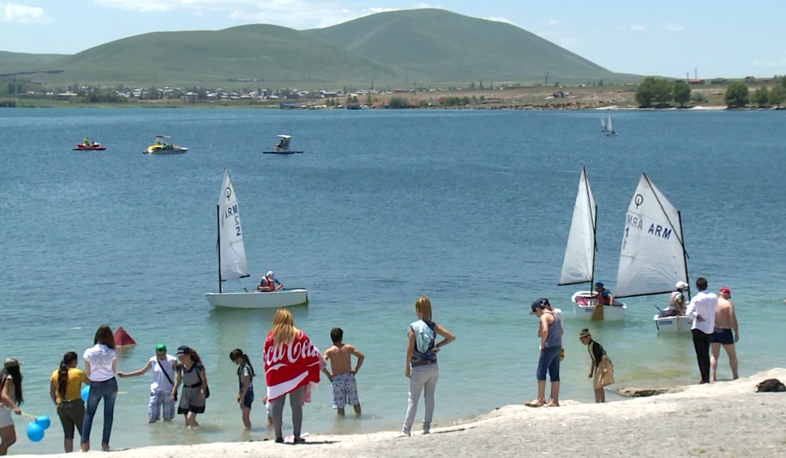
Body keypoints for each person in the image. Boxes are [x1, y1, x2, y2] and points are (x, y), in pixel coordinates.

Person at [398, 296, 455, 437]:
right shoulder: (433, 326)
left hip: (419, 368)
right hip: (433, 366)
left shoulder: (413, 327)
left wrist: (406, 366)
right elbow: (451, 337)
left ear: (418, 310)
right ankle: (426, 428)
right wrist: (437, 346)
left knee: (413, 399)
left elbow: (410, 350)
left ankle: (406, 429)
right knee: (429, 397)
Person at [263, 309, 322, 444]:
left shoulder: (271, 337)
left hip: (277, 376)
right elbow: (311, 353)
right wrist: (313, 375)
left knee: (277, 406)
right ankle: (297, 435)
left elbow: (265, 358)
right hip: (297, 374)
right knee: (296, 406)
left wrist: (268, 379)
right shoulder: (300, 335)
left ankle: (278, 436)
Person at [118, 344, 178, 423]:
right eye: (158, 354)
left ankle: (167, 434)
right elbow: (142, 371)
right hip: (155, 391)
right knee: (152, 418)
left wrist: (174, 390)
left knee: (167, 418)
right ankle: (153, 433)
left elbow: (179, 375)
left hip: (168, 391)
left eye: (162, 354)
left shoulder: (172, 360)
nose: (160, 356)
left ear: (166, 352)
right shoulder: (153, 360)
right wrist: (126, 375)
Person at [81, 325, 118, 452]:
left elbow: (88, 372)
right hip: (110, 383)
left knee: (89, 413)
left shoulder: (88, 352)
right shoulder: (112, 352)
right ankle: (105, 444)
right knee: (108, 414)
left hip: (95, 384)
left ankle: (85, 444)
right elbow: (113, 370)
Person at [526, 298, 563, 408]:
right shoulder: (556, 315)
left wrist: (542, 344)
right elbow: (561, 331)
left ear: (538, 309)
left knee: (541, 372)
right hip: (557, 346)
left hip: (548, 347)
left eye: (535, 312)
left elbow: (545, 331)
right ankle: (554, 400)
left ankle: (540, 399)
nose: (536, 315)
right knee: (554, 373)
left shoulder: (544, 316)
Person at [49, 352, 87, 453]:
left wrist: (56, 404)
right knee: (84, 431)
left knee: (68, 434)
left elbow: (52, 392)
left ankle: (68, 454)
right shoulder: (78, 373)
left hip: (61, 406)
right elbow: (91, 384)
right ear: (74, 361)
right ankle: (84, 451)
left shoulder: (54, 374)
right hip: (76, 404)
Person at [322, 328, 365, 416]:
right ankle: (359, 420)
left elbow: (320, 364)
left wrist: (328, 374)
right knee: (355, 401)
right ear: (341, 337)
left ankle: (341, 427)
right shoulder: (348, 348)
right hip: (349, 377)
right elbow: (361, 356)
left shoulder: (329, 351)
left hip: (337, 379)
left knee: (340, 405)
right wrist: (355, 369)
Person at [686, 276, 718, 384]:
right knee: (706, 353)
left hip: (699, 328)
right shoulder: (714, 296)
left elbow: (688, 313)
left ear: (697, 286)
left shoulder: (696, 298)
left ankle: (704, 378)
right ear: (707, 285)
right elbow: (716, 309)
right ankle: (707, 377)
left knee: (701, 355)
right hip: (710, 328)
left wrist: (696, 315)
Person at [172, 346, 208, 427]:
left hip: (197, 392)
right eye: (178, 355)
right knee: (186, 420)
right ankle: (190, 436)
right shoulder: (180, 367)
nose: (180, 357)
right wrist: (173, 392)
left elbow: (204, 380)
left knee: (190, 418)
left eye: (182, 355)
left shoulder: (198, 366)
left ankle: (197, 431)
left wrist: (202, 392)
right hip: (186, 392)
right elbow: (178, 380)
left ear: (188, 355)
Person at [711, 287, 740, 382]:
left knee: (714, 355)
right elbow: (733, 320)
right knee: (732, 355)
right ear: (727, 294)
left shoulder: (713, 303)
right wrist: (736, 332)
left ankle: (713, 377)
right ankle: (735, 376)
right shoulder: (728, 304)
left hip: (714, 330)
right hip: (725, 331)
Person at [578, 329, 614, 403]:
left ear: (588, 337)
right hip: (599, 365)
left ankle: (599, 401)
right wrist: (591, 371)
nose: (582, 342)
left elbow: (604, 355)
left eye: (582, 340)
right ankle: (600, 401)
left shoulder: (595, 345)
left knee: (597, 385)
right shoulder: (590, 346)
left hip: (603, 364)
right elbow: (593, 359)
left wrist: (604, 367)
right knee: (598, 385)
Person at [0, 358, 23, 456]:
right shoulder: (9, 378)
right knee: (10, 439)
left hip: (2, 410)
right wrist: (14, 407)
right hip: (2, 412)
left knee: (6, 440)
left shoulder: (2, 376)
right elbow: (4, 395)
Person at [229, 349, 255, 429]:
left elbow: (246, 383)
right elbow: (241, 384)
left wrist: (242, 397)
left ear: (239, 358)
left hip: (247, 393)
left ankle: (248, 431)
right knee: (245, 416)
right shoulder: (242, 367)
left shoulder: (245, 368)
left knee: (245, 417)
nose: (234, 362)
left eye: (235, 360)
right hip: (245, 392)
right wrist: (239, 394)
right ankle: (248, 431)